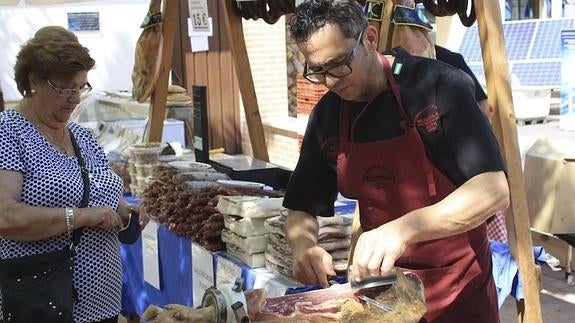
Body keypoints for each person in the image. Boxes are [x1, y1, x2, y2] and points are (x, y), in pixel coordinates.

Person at [283, 1, 510, 322]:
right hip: (383, 293)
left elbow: (493, 190)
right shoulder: (328, 116)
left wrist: (402, 230)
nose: (332, 81)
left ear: (370, 38)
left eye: (339, 64)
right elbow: (301, 205)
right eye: (318, 71)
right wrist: (303, 245)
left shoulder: (440, 87)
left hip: (458, 289)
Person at [0, 26, 146, 323]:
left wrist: (124, 212)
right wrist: (81, 217)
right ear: (33, 81)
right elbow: (6, 217)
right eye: (65, 88)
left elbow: (98, 196)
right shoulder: (8, 132)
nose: (75, 98)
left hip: (102, 305)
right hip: (42, 305)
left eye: (80, 87)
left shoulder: (83, 136)